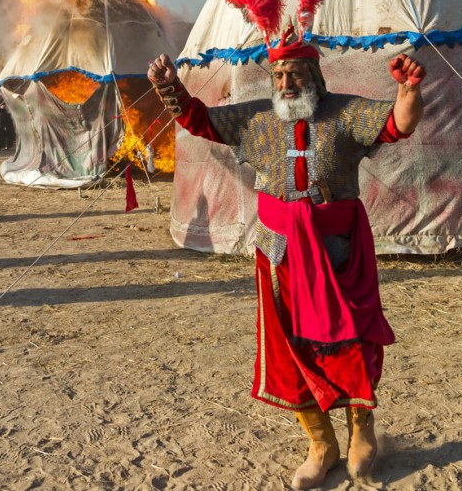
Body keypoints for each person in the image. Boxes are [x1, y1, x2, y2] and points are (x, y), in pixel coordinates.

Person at [147, 38, 424, 489]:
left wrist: (409, 88)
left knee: (350, 339)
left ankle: (361, 433)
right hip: (278, 249)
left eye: (294, 74)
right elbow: (199, 121)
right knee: (290, 345)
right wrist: (168, 86)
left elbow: (397, 125)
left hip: (337, 246)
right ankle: (320, 443)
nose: (285, 83)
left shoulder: (345, 111)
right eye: (278, 75)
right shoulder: (256, 117)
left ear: (314, 76)